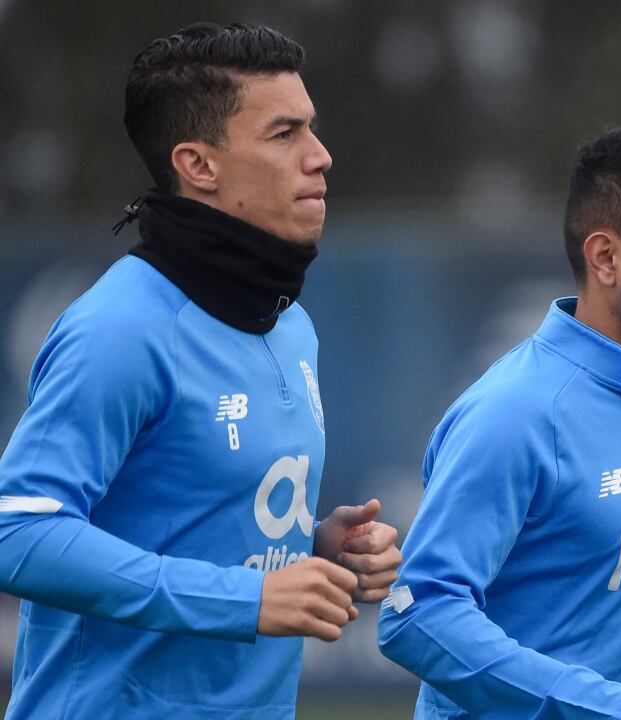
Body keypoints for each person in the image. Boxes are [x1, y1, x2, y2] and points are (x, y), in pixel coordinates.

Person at [0, 22, 402, 718]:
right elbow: (18, 532)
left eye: (313, 129)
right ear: (199, 165)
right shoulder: (120, 329)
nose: (321, 156)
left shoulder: (289, 324)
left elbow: (181, 518)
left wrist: (311, 550)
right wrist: (246, 598)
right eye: (285, 135)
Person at [378, 120, 621, 720]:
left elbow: (584, 611)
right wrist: (611, 707)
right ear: (606, 257)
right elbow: (417, 613)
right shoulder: (515, 412)